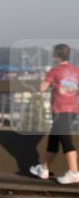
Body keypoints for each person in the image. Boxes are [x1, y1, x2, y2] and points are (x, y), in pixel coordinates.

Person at [30, 43, 79, 185]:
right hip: (73, 110)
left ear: (56, 55)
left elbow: (42, 88)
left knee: (66, 140)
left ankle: (74, 172)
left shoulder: (55, 71)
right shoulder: (76, 71)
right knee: (54, 139)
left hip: (60, 110)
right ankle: (44, 169)